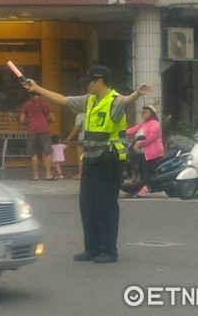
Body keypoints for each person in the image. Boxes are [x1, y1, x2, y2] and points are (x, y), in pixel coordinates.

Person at [24, 65, 153, 264]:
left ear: (99, 81)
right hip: (92, 160)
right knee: (87, 205)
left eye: (89, 82)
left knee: (106, 206)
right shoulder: (90, 101)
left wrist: (137, 93)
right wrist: (38, 88)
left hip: (109, 160)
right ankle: (91, 248)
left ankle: (109, 250)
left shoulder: (114, 101)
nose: (87, 86)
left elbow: (126, 101)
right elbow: (65, 100)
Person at [125, 105, 164, 197]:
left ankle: (146, 187)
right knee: (139, 167)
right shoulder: (143, 124)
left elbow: (151, 137)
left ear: (152, 114)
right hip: (143, 152)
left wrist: (140, 143)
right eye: (144, 112)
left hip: (152, 153)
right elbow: (133, 130)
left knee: (146, 169)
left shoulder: (154, 124)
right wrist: (121, 132)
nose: (144, 114)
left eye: (147, 112)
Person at [20, 92, 56, 180]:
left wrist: (28, 124)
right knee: (47, 152)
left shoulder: (27, 104)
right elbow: (53, 119)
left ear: (30, 95)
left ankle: (35, 176)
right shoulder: (45, 103)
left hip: (32, 130)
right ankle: (48, 175)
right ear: (40, 95)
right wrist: (47, 123)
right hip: (44, 129)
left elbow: (21, 120)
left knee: (34, 153)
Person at [65, 112, 86, 180]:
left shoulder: (80, 115)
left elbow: (76, 128)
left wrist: (69, 138)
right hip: (95, 138)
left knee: (80, 157)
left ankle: (81, 173)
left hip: (83, 138)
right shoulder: (96, 113)